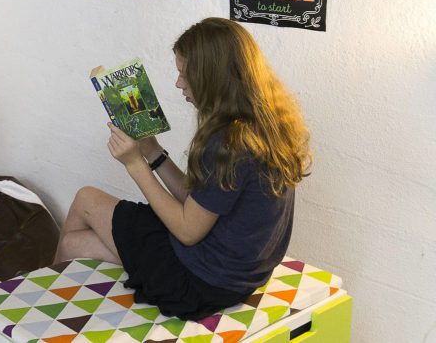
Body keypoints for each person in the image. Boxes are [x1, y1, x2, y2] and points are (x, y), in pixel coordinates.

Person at [54, 17, 312, 320]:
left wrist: (135, 164)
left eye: (183, 73)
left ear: (210, 77)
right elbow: (200, 202)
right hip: (238, 278)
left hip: (197, 282)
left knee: (86, 198)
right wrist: (153, 153)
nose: (178, 83)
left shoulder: (229, 142)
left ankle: (34, 297)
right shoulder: (264, 125)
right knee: (74, 244)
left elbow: (188, 231)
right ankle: (38, 294)